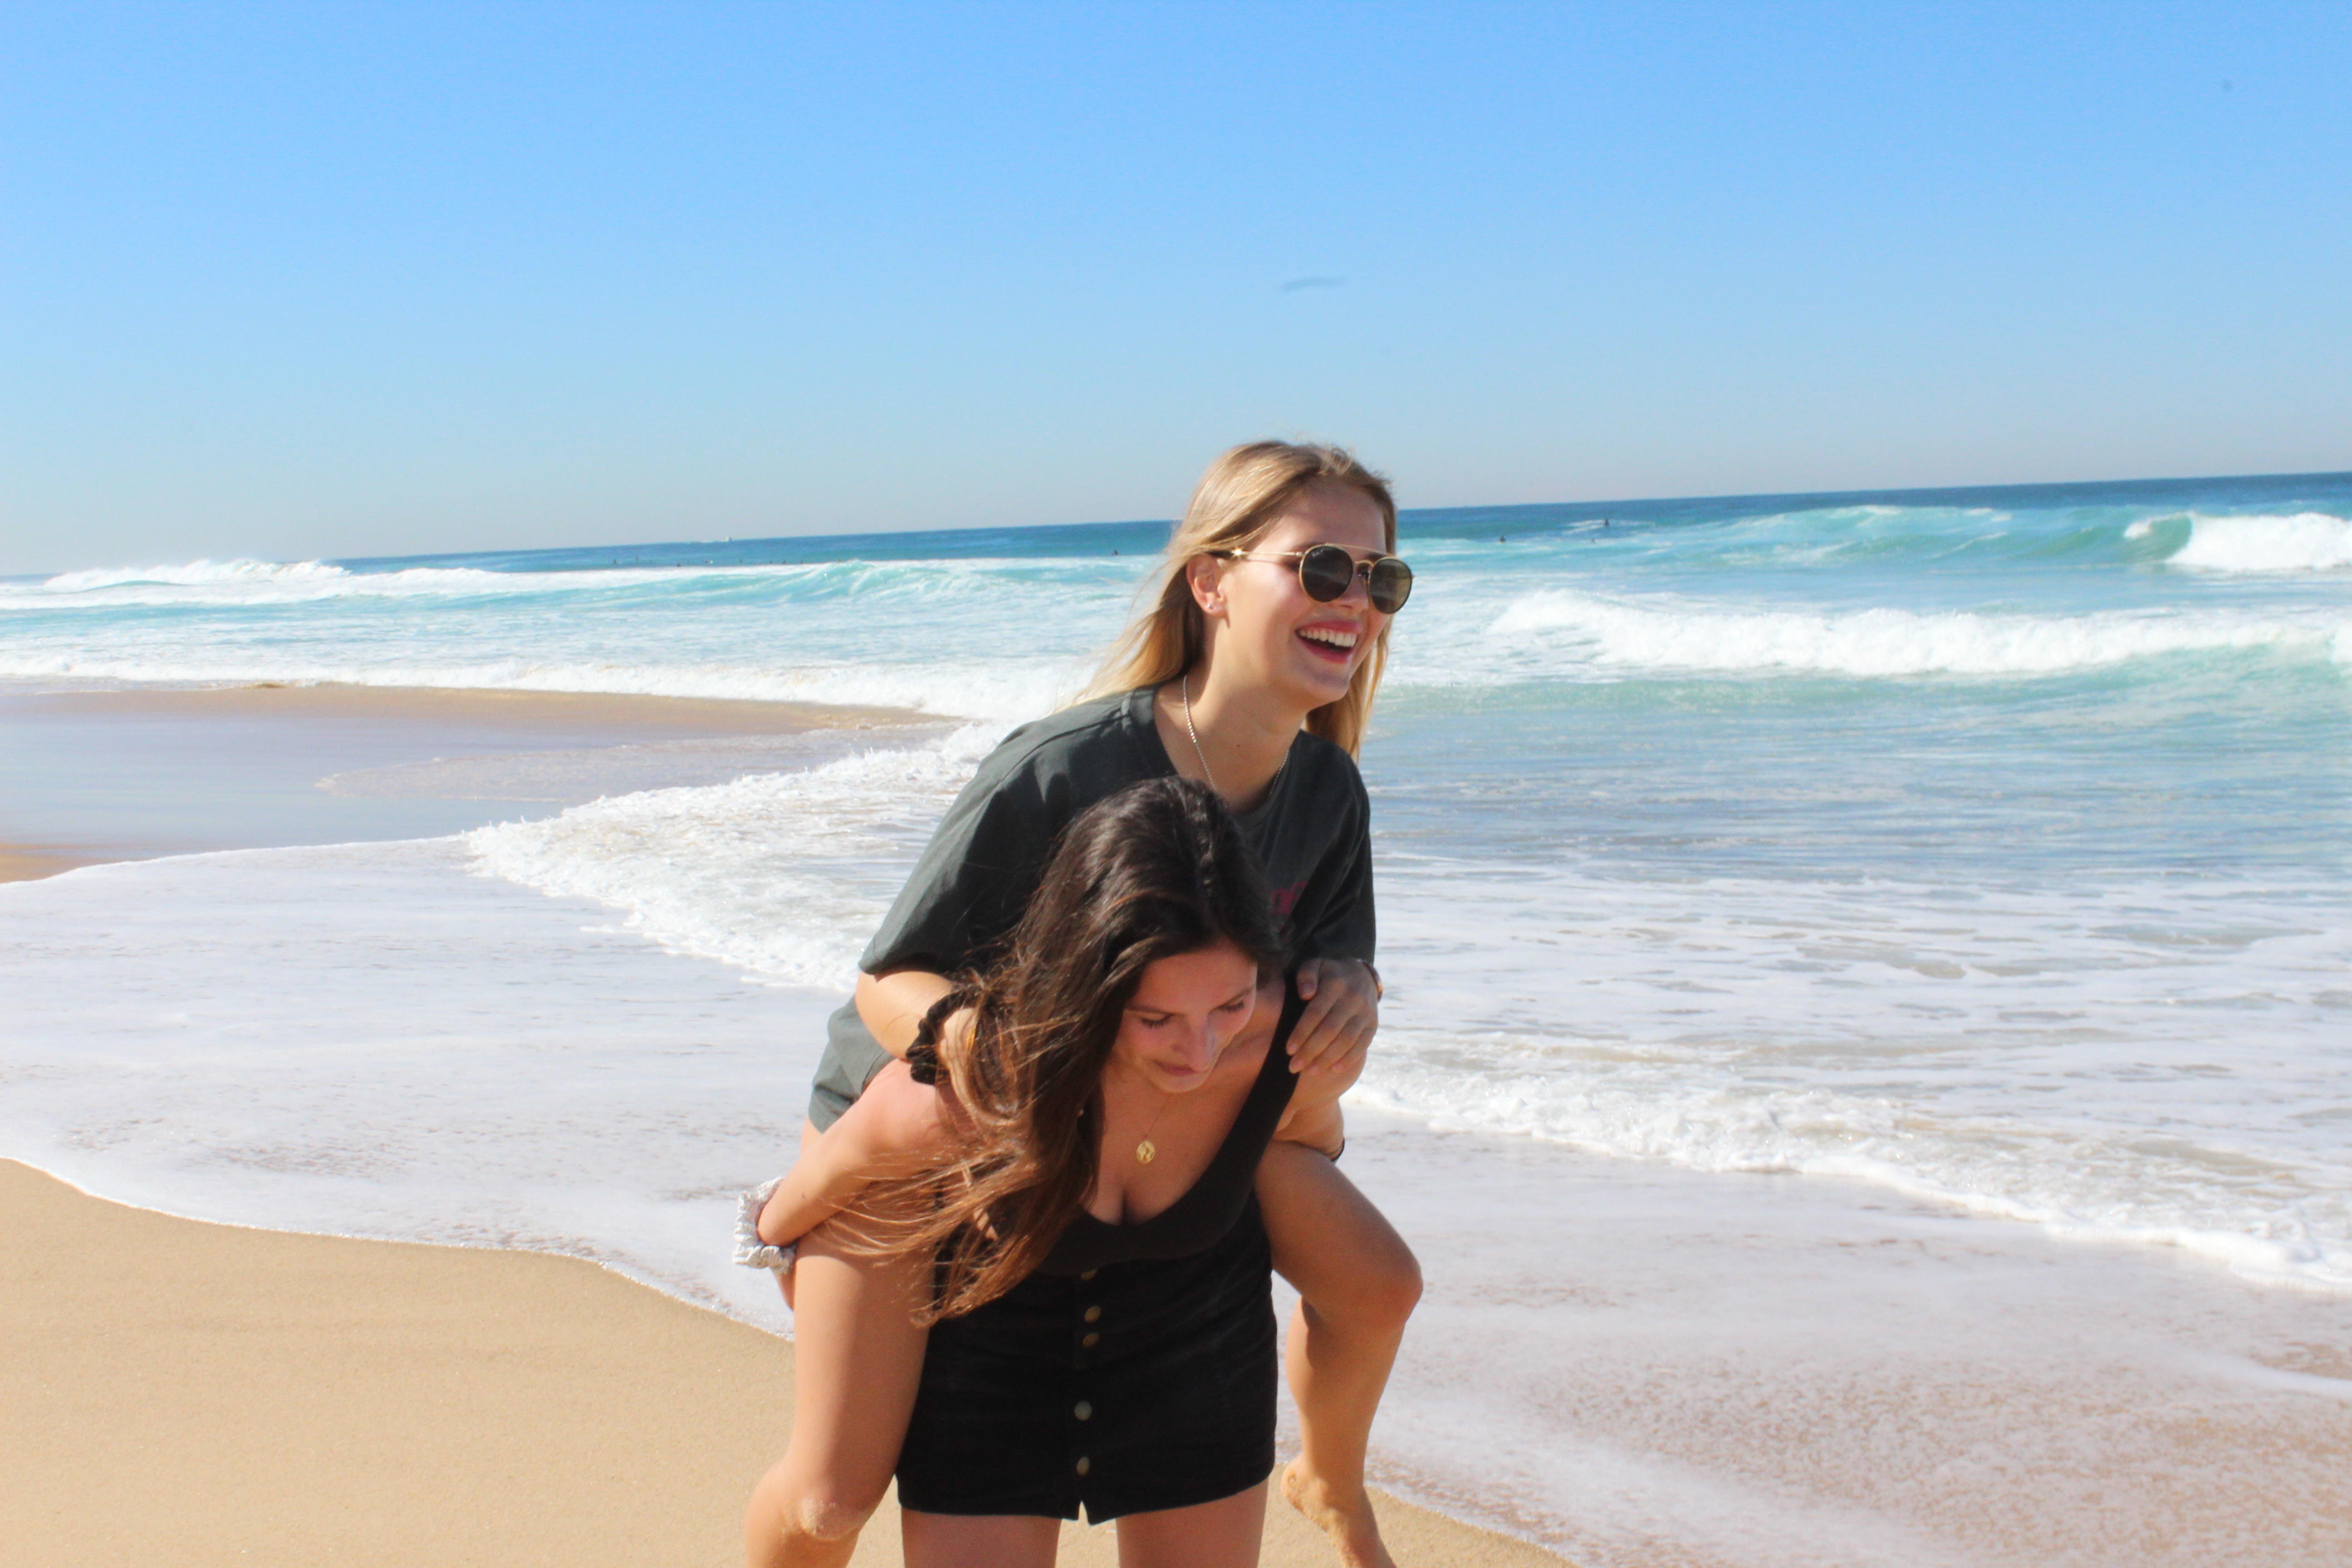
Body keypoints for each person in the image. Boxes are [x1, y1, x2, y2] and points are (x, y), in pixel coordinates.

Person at [745, 441, 1421, 1568]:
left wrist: (1354, 990)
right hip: (934, 1128)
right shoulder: (1063, 769)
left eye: (1379, 580)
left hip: (1161, 1109)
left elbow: (1336, 962)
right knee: (830, 1497)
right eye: (1321, 570)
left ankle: (1330, 1477)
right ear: (1211, 581)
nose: (1355, 602)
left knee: (1377, 1284)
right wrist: (986, 1067)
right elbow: (887, 980)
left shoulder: (1326, 791)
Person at [753, 777, 1338, 1566]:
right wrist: (787, 1250)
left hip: (1182, 1324)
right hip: (990, 1332)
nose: (1199, 1054)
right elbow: (812, 1191)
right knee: (826, 1507)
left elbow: (1311, 1142)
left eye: (1227, 1008)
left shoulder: (1285, 1043)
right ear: (1092, 990)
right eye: (1155, 1019)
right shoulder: (991, 1076)